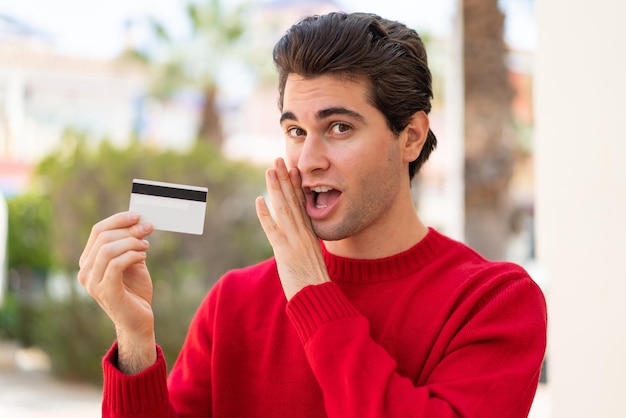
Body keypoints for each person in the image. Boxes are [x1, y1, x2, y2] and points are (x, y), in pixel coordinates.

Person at [78, 11, 547, 418]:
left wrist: (311, 290)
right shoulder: (234, 303)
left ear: (411, 137)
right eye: (296, 131)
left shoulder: (494, 303)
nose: (308, 161)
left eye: (339, 128)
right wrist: (135, 341)